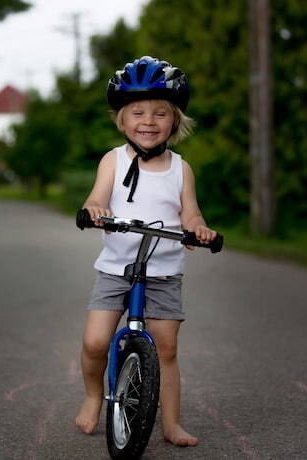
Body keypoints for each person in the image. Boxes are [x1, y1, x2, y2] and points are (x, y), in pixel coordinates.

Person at [74, 56, 217, 447]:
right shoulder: (113, 160)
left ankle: (170, 425)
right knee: (95, 341)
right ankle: (92, 396)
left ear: (175, 121)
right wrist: (96, 210)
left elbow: (190, 213)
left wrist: (198, 229)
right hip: (115, 268)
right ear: (122, 119)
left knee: (166, 348)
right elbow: (96, 198)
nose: (148, 121)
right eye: (137, 112)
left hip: (163, 272)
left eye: (160, 113)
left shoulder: (180, 168)